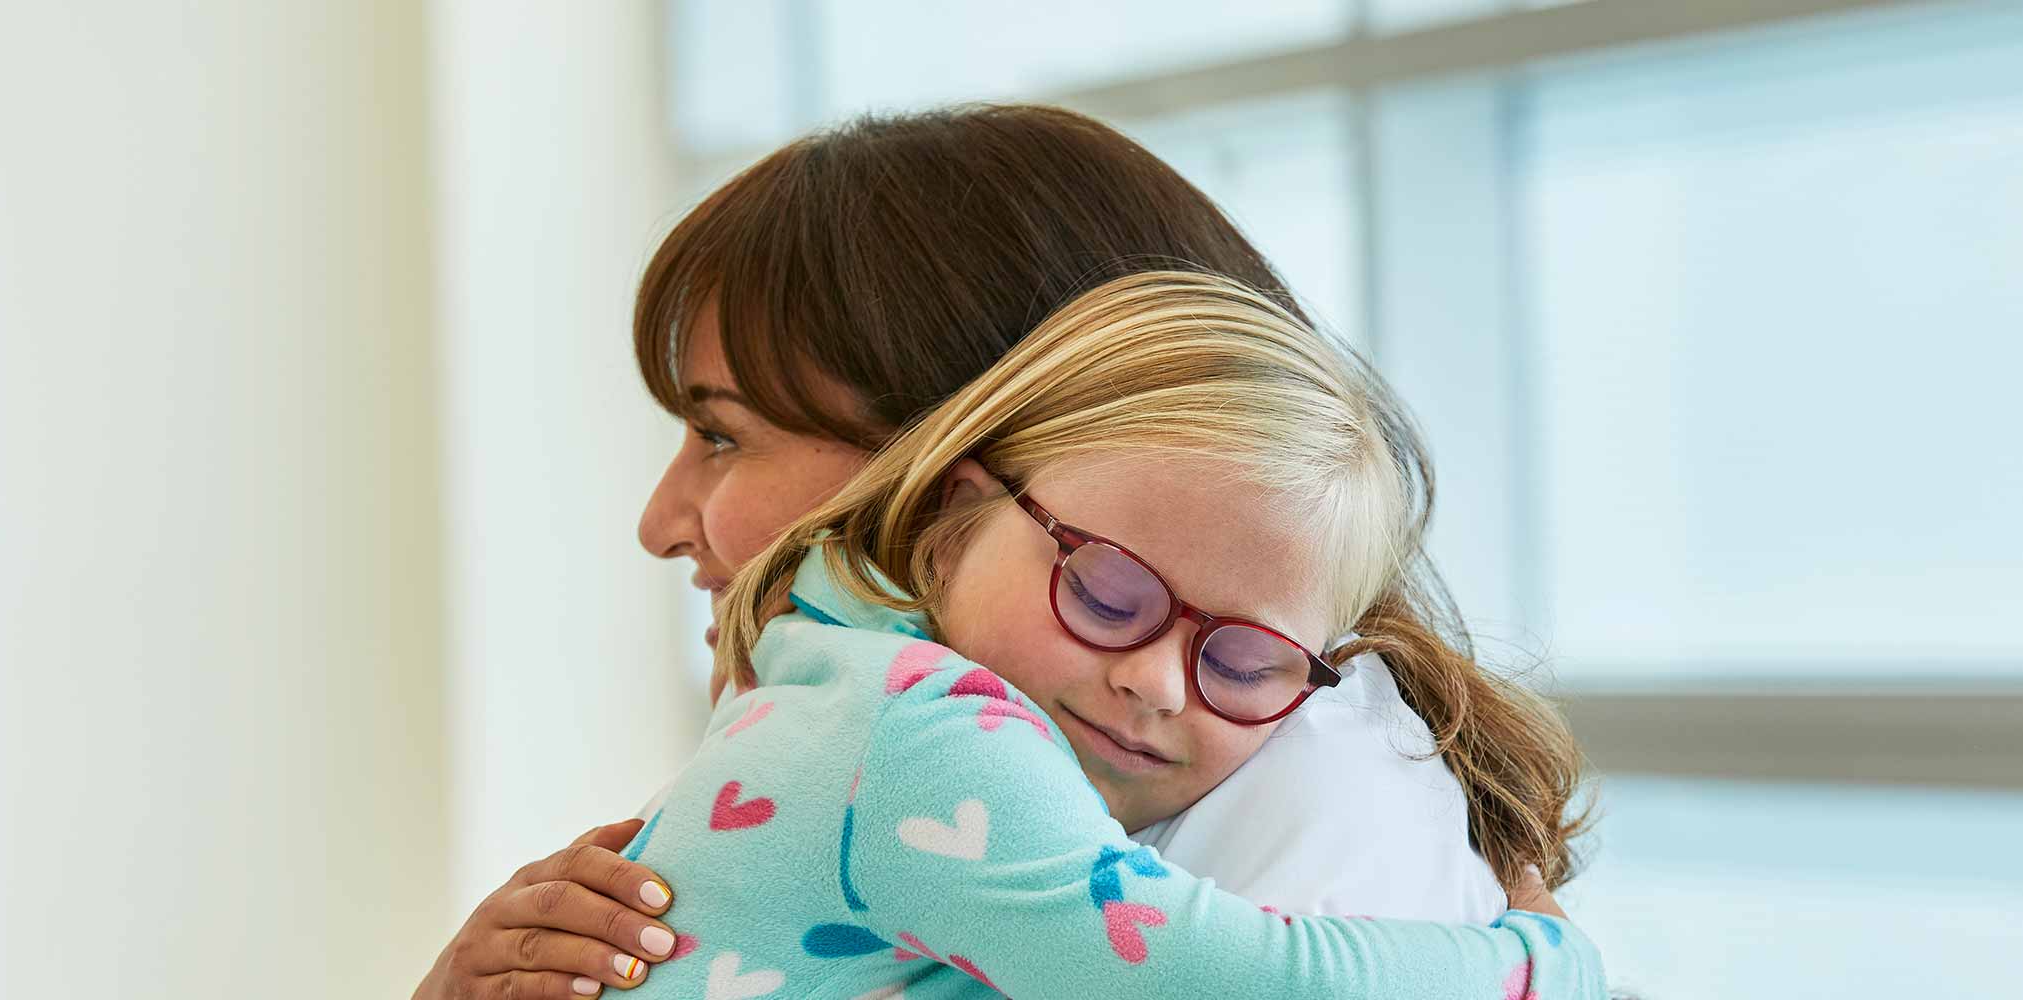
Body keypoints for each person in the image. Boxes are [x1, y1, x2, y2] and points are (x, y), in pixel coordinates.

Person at [416, 105, 1590, 1000]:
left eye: (724, 434)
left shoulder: (1311, 794)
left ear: (947, 464)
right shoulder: (917, 720)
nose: (662, 518)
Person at [604, 269, 1604, 999]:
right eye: (1107, 595)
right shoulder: (921, 737)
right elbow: (1245, 983)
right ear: (953, 526)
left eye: (1243, 662)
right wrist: (1544, 968)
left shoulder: (829, 673)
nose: (1160, 684)